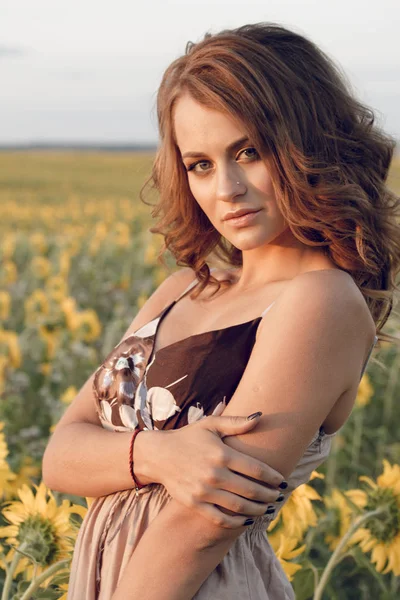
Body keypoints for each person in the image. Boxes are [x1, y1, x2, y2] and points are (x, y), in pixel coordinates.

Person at [42, 22, 400, 600]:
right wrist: (159, 454)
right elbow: (60, 458)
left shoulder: (322, 300)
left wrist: (125, 461)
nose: (226, 188)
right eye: (200, 164)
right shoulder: (183, 289)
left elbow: (203, 526)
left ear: (307, 145)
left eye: (248, 152)